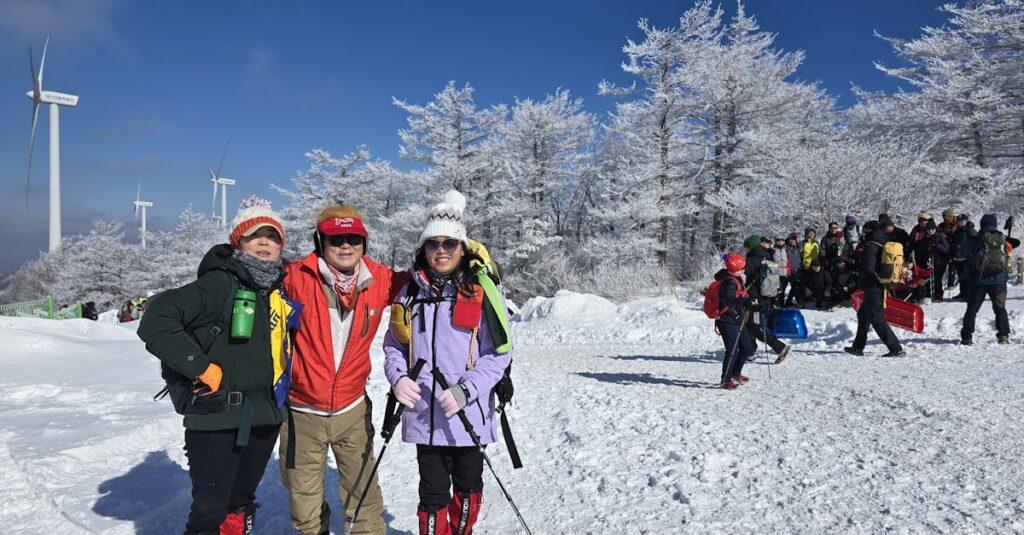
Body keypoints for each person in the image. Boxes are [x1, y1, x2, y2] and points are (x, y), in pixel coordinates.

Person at [138, 197, 297, 534]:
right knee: (210, 511)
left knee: (240, 501)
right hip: (217, 417)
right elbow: (157, 318)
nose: (265, 242)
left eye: (273, 236)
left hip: (264, 417)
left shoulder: (279, 289)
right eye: (255, 235)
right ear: (238, 241)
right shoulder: (220, 283)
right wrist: (201, 368)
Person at [383, 190, 511, 535]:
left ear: (462, 247)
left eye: (450, 244)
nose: (441, 250)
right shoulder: (409, 294)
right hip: (425, 414)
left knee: (468, 488)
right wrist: (397, 379)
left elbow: (500, 354)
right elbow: (393, 346)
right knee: (431, 496)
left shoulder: (480, 291)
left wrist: (466, 390)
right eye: (433, 243)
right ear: (423, 248)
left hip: (467, 417)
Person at [278, 205, 410, 535]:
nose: (346, 245)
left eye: (354, 238)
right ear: (320, 241)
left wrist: (468, 261)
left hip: (352, 410)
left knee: (363, 497)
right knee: (303, 502)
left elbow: (430, 277)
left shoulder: (381, 280)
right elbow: (252, 270)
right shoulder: (296, 277)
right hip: (301, 412)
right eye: (336, 239)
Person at [845, 220, 905, 357]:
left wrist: (859, 276)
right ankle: (857, 347)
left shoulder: (871, 246)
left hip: (873, 286)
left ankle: (895, 348)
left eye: (865, 231)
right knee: (863, 315)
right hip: (878, 285)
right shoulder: (882, 242)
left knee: (877, 318)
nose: (863, 234)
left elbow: (869, 267)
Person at [959, 213, 1011, 345]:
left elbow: (963, 252)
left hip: (978, 280)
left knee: (972, 309)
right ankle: (1003, 335)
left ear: (981, 224)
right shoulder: (1003, 239)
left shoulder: (975, 239)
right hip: (999, 280)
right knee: (1000, 309)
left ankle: (967, 337)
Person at [742, 236, 793, 362]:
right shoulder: (768, 257)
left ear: (750, 247)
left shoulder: (752, 260)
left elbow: (743, 278)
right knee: (749, 323)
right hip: (766, 297)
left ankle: (780, 347)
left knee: (755, 325)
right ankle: (749, 352)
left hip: (755, 299)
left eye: (746, 247)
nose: (745, 250)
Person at [709, 253, 755, 389]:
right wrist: (746, 301)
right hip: (727, 320)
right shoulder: (729, 282)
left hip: (737, 319)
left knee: (747, 347)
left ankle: (735, 373)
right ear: (736, 269)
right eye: (742, 267)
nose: (744, 269)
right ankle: (725, 379)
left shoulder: (737, 278)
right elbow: (729, 300)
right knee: (732, 350)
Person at [909, 220, 949, 302]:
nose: (930, 231)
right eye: (928, 229)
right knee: (927, 279)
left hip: (939, 262)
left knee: (937, 279)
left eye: (932, 229)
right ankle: (928, 295)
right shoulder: (924, 238)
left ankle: (938, 296)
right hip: (928, 262)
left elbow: (946, 249)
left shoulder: (941, 237)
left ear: (935, 229)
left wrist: (937, 245)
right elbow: (921, 249)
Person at [952, 214, 977, 301]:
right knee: (961, 277)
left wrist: (971, 255)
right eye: (959, 221)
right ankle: (962, 293)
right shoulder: (958, 231)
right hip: (959, 257)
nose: (960, 223)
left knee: (968, 278)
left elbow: (976, 243)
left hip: (968, 258)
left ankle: (968, 295)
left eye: (962, 221)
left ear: (966, 221)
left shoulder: (970, 230)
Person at [938, 209, 960, 291]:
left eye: (947, 218)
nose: (945, 220)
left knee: (953, 267)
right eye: (944, 218)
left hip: (955, 248)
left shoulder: (958, 224)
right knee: (942, 266)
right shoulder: (941, 225)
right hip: (945, 249)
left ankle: (951, 283)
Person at [781, 233, 802, 308]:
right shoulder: (785, 247)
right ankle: (781, 303)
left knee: (795, 287)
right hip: (787, 270)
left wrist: (799, 268)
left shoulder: (797, 248)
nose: (792, 240)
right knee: (784, 287)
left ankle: (789, 301)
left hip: (795, 270)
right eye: (791, 239)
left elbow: (798, 259)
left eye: (794, 239)